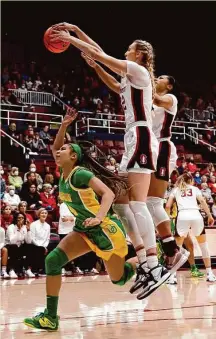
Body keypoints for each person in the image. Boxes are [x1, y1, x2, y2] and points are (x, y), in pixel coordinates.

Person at [50, 23, 170, 299]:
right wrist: (79, 34)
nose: (126, 51)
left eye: (130, 49)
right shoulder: (130, 78)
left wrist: (72, 39)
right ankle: (143, 259)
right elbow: (112, 79)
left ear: (140, 55)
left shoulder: (139, 71)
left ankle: (154, 264)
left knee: (137, 203)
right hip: (133, 137)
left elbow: (103, 55)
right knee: (121, 203)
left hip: (140, 135)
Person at [24, 108, 137, 331]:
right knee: (52, 261)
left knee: (119, 279)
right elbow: (55, 147)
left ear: (74, 156)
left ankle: (150, 258)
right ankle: (50, 317)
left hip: (105, 230)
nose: (58, 152)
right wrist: (64, 125)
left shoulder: (80, 174)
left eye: (64, 149)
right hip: (83, 229)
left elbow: (109, 194)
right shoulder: (64, 172)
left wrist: (98, 217)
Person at [146, 75, 189, 284]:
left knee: (152, 202)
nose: (157, 77)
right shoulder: (152, 101)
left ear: (169, 85)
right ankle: (167, 249)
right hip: (151, 148)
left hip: (162, 147)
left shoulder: (170, 98)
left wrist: (143, 78)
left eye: (160, 77)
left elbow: (153, 98)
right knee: (144, 202)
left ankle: (173, 250)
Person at [166, 173, 216, 282]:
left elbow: (168, 206)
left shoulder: (176, 190)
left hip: (182, 216)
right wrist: (210, 215)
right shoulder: (195, 189)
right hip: (196, 215)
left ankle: (172, 276)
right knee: (203, 246)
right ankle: (210, 274)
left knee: (177, 247)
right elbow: (202, 201)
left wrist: (167, 219)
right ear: (191, 180)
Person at [5, 212, 33, 278]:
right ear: (15, 219)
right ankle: (11, 270)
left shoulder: (24, 227)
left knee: (30, 246)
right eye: (19, 218)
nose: (21, 219)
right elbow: (12, 241)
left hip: (20, 246)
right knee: (14, 247)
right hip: (10, 246)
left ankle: (27, 269)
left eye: (22, 218)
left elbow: (28, 241)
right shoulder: (11, 227)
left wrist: (28, 230)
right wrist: (18, 230)